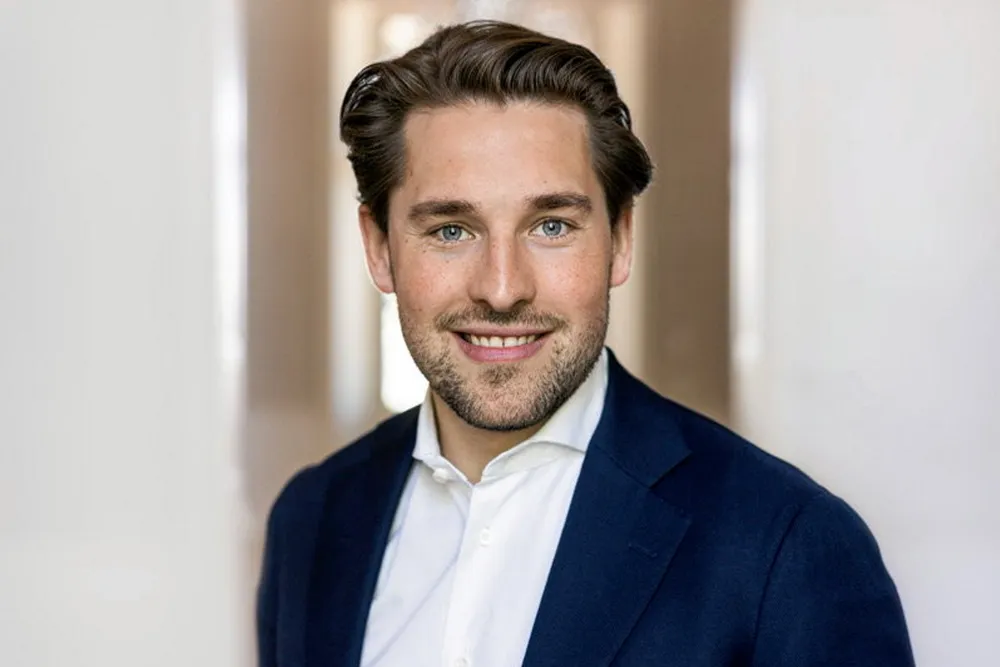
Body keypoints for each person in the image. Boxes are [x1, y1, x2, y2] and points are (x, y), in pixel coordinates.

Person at [256, 20, 914, 667]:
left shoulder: (788, 548)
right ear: (379, 248)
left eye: (551, 225)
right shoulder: (311, 519)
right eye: (451, 230)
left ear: (620, 240)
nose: (502, 289)